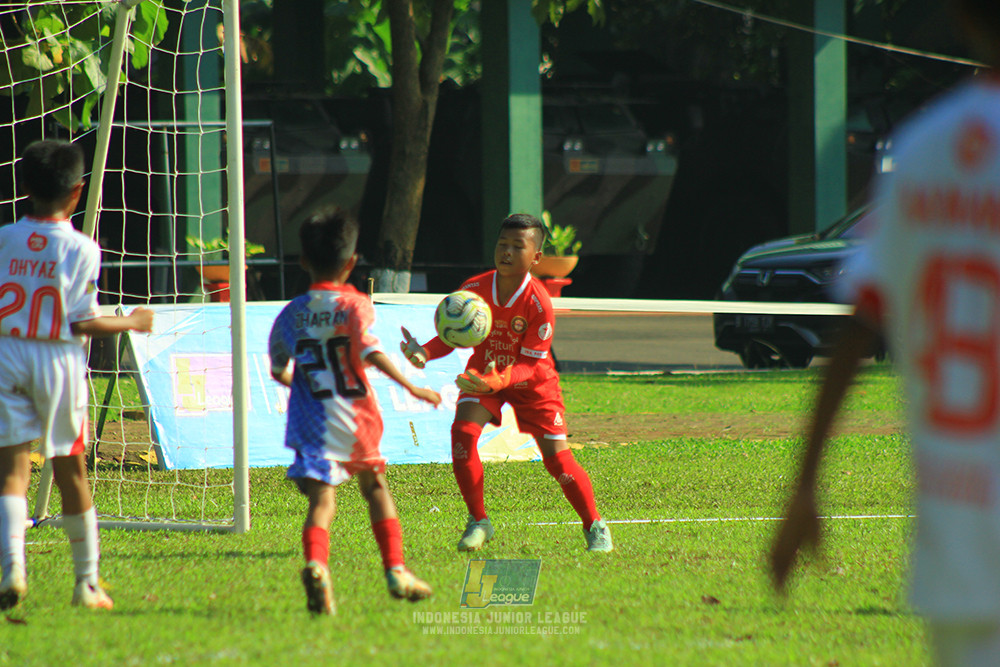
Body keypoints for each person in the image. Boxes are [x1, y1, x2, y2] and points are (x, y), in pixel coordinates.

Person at [770, 1, 1000, 663]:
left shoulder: (928, 147)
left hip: (961, 544)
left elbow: (857, 332)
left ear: (961, 17)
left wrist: (806, 485)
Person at [0, 140, 154, 611]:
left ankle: (12, 570)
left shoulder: (4, 239)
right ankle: (86, 583)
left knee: (10, 471)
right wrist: (131, 322)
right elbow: (82, 321)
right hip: (57, 362)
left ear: (23, 186)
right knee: (71, 469)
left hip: (7, 354)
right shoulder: (82, 248)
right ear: (78, 191)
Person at [400, 213, 613, 552]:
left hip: (534, 384)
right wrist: (425, 351)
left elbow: (530, 363)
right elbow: (454, 335)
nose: (507, 252)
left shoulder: (539, 302)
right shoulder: (473, 291)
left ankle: (595, 525)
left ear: (536, 257)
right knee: (463, 435)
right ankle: (479, 521)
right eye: (502, 244)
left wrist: (500, 380)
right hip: (484, 373)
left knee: (558, 461)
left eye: (518, 246)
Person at [269, 208, 441, 616]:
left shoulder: (289, 315)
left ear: (303, 261)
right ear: (351, 262)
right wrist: (411, 385)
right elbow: (370, 350)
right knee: (375, 488)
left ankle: (315, 563)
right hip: (356, 417)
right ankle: (396, 570)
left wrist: (309, 389)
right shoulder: (355, 305)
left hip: (312, 422)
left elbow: (279, 369)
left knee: (321, 501)